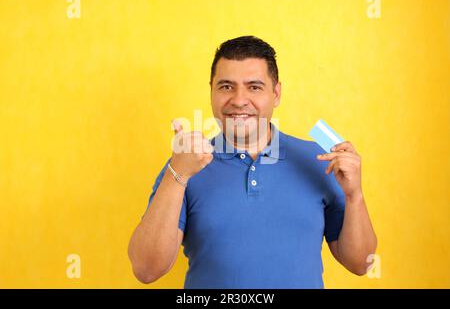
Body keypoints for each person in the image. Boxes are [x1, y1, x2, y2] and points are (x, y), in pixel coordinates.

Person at [128, 36, 377, 288]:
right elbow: (146, 270)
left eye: (254, 87)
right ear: (211, 90)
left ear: (276, 93)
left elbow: (360, 263)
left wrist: (355, 195)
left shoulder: (318, 160)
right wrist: (177, 175)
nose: (238, 100)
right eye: (226, 86)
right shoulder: (184, 164)